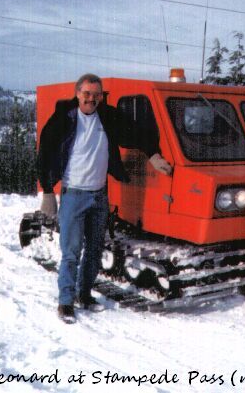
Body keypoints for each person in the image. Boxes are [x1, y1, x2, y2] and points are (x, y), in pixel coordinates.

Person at [36, 73, 172, 324]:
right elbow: (45, 153)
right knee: (71, 252)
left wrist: (153, 154)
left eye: (96, 94)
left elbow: (136, 133)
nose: (91, 99)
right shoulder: (64, 118)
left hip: (99, 196)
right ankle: (65, 302)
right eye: (87, 94)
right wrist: (47, 191)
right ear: (78, 94)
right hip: (73, 195)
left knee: (94, 250)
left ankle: (84, 295)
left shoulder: (107, 117)